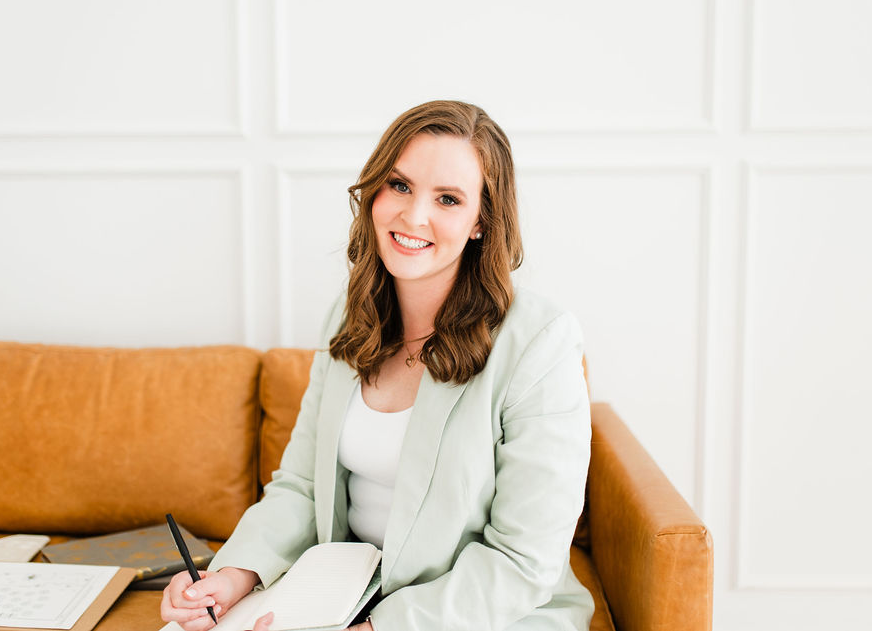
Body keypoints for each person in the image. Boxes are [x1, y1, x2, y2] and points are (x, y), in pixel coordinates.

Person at [161, 100, 595, 631]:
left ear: (482, 221)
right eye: (400, 185)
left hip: (482, 616)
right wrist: (229, 578)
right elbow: (300, 486)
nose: (414, 216)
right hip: (343, 597)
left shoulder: (539, 342)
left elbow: (521, 563)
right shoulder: (350, 317)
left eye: (448, 199)